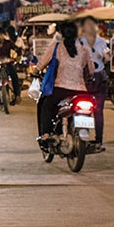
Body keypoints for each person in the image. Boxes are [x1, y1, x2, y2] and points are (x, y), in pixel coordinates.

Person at [35, 19, 93, 147]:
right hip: (81, 91)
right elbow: (91, 71)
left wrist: (35, 70)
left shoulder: (57, 48)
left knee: (46, 105)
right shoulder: (84, 50)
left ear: (61, 33)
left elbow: (42, 64)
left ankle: (45, 134)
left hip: (60, 89)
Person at [78, 17, 109, 148]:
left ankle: (83, 138)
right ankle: (98, 141)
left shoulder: (79, 42)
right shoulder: (102, 42)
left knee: (82, 109)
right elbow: (107, 59)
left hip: (85, 79)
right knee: (98, 110)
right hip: (99, 78)